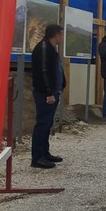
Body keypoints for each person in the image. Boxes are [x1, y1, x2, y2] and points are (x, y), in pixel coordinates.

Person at [30, 24, 66, 169]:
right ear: (56, 34)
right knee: (42, 124)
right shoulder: (44, 48)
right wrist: (49, 93)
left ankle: (45, 153)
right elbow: (43, 71)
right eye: (61, 34)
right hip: (45, 94)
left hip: (52, 92)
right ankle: (37, 158)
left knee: (47, 124)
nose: (62, 38)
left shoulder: (50, 48)